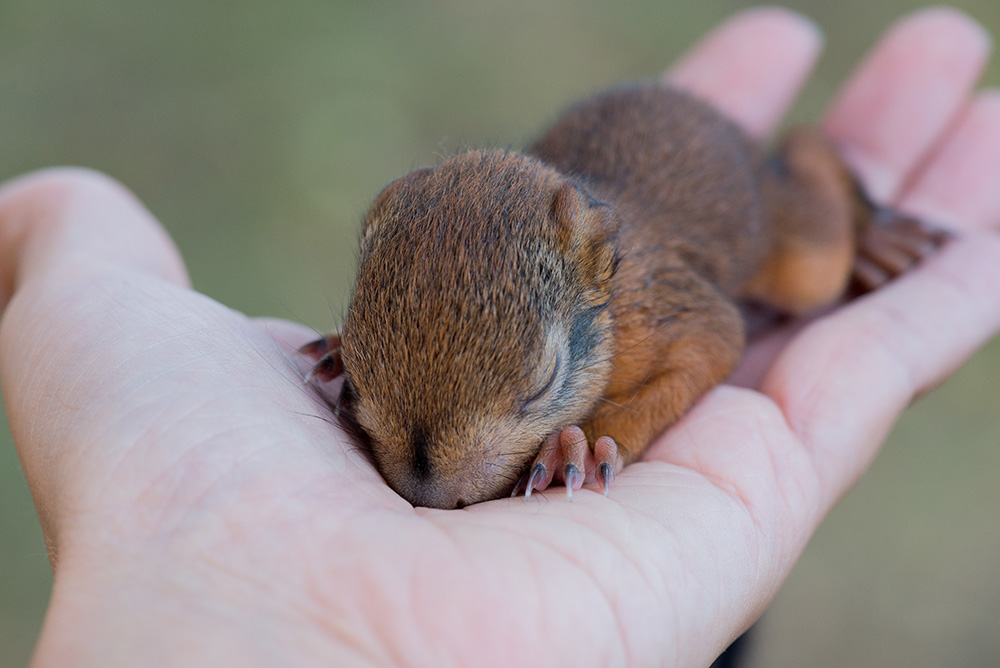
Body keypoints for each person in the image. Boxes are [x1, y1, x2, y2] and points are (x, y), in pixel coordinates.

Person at [1, 6, 997, 667]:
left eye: (530, 388)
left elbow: (716, 335)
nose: (428, 483)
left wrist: (615, 430)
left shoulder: (645, 301)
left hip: (735, 189)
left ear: (591, 282)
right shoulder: (416, 281)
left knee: (812, 275)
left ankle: (833, 181)